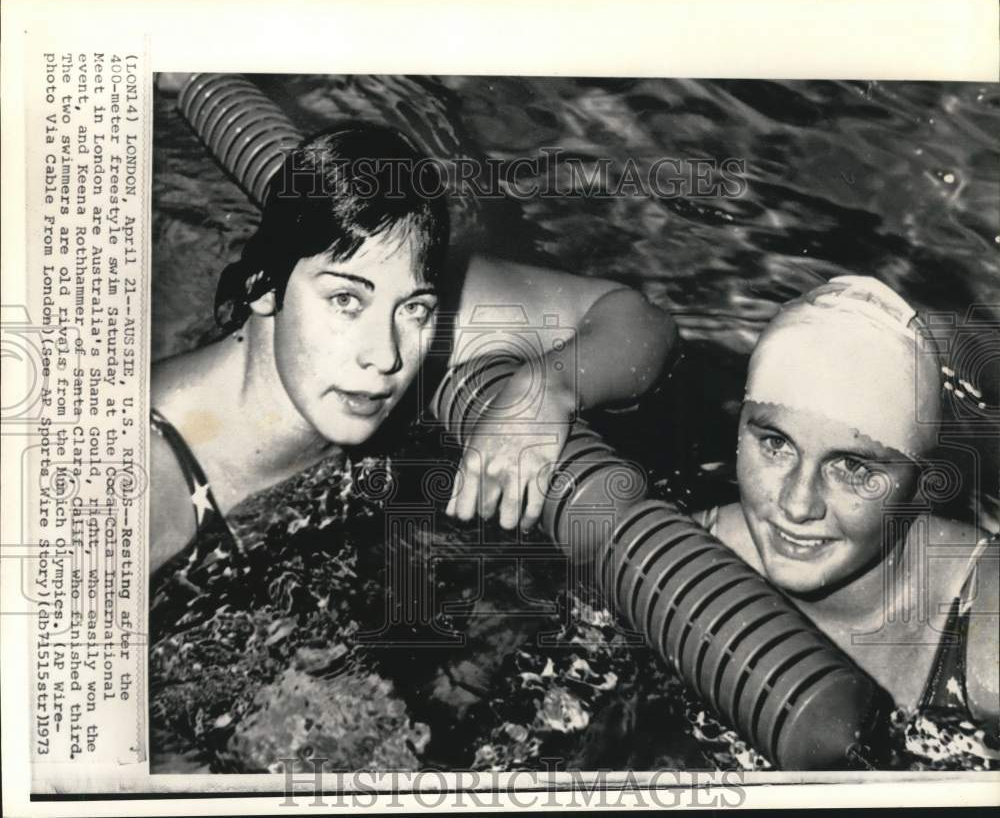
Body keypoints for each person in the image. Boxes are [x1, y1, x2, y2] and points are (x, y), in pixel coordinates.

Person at [150, 123, 678, 576]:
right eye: (344, 300)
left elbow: (639, 320)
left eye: (415, 309)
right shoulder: (145, 486)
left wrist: (549, 389)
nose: (385, 357)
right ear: (263, 288)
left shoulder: (396, 297)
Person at [697, 276, 998, 735]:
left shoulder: (985, 632)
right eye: (776, 444)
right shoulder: (685, 555)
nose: (797, 505)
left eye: (853, 468)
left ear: (920, 486)